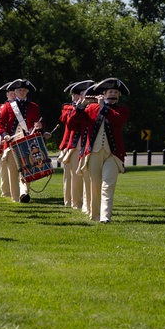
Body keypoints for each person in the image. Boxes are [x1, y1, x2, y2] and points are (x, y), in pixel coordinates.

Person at [78, 78, 130, 223]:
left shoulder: (122, 110)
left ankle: (105, 217)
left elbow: (117, 121)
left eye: (115, 92)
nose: (113, 94)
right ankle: (95, 215)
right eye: (110, 92)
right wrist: (81, 106)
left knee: (108, 185)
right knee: (95, 185)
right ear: (104, 93)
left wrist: (103, 107)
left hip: (113, 154)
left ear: (119, 95)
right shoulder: (92, 108)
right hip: (94, 152)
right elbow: (73, 122)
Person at [0, 79, 44, 203]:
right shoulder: (8, 106)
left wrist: (40, 125)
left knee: (27, 169)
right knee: (13, 171)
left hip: (27, 143)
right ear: (15, 92)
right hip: (12, 143)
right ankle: (15, 197)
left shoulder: (34, 106)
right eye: (19, 90)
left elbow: (39, 123)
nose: (21, 92)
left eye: (23, 90)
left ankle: (24, 193)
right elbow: (0, 123)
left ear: (27, 91)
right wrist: (5, 134)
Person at [59, 80, 94, 211]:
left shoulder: (91, 107)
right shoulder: (68, 108)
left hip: (87, 144)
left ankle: (84, 202)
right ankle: (74, 202)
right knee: (72, 177)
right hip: (73, 145)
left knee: (84, 176)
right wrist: (79, 107)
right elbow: (68, 121)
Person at [0, 86, 18, 200]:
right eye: (11, 93)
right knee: (4, 168)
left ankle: (16, 191)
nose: (13, 94)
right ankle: (5, 191)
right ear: (7, 94)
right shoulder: (1, 107)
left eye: (15, 92)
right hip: (1, 140)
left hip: (13, 140)